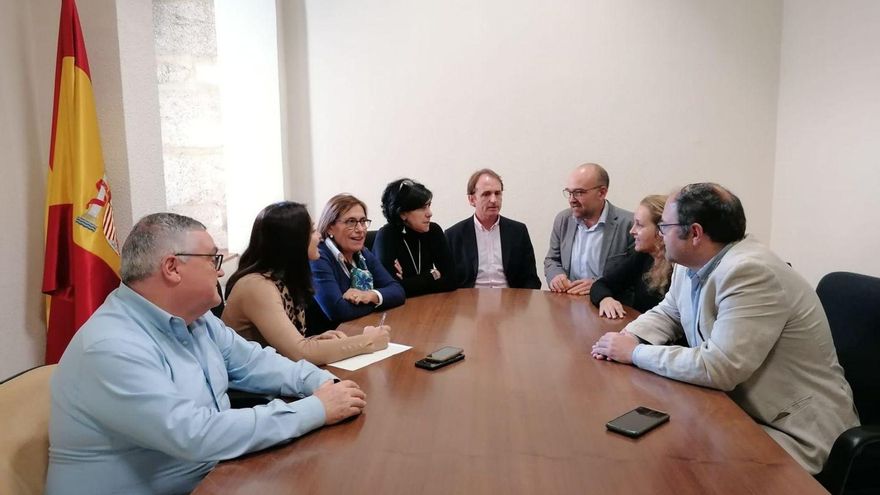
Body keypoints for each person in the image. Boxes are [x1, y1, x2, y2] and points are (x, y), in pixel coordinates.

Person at [46, 213, 367, 495]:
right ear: (172, 267)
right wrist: (317, 409)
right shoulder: (112, 346)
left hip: (214, 477)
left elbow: (257, 362)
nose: (220, 272)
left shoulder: (197, 321)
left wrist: (324, 382)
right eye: (213, 260)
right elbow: (196, 436)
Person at [590, 183, 859, 474]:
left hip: (791, 430)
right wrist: (626, 336)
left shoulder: (750, 272)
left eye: (665, 226)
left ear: (694, 233)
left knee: (673, 470)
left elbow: (720, 367)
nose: (660, 234)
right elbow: (668, 312)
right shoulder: (688, 262)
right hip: (734, 411)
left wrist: (636, 353)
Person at [222, 201, 391, 365]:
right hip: (249, 387)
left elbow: (285, 346)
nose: (318, 236)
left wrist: (315, 340)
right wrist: (369, 341)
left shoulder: (284, 278)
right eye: (311, 231)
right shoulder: (256, 286)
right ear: (292, 241)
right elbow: (300, 353)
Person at [310, 194, 405, 331]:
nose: (360, 229)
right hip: (330, 339)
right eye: (351, 222)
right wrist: (379, 300)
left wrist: (370, 296)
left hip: (361, 329)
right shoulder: (318, 256)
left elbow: (398, 291)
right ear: (330, 227)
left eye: (363, 221)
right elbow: (337, 312)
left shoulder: (362, 253)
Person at [544, 163, 633, 295]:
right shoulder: (563, 219)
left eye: (579, 192)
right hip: (567, 302)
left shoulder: (629, 224)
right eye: (569, 192)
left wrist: (600, 285)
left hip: (609, 305)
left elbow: (634, 275)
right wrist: (556, 276)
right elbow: (552, 259)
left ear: (602, 192)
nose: (571, 200)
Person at [444, 169, 541, 289]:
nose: (494, 200)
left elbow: (531, 279)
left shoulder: (518, 232)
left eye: (498, 193)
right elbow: (447, 281)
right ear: (472, 199)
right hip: (469, 302)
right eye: (486, 194)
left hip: (510, 301)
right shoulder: (454, 235)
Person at [590, 194, 673, 318]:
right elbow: (602, 284)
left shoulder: (679, 267)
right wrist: (605, 299)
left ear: (660, 229)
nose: (632, 231)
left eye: (639, 225)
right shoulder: (643, 256)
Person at [373, 178, 456, 297]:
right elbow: (391, 290)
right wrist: (431, 275)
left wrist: (409, 283)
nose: (429, 213)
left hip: (430, 306)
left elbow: (452, 280)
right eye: (422, 208)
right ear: (402, 213)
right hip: (399, 311)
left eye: (429, 206)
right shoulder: (386, 236)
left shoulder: (433, 231)